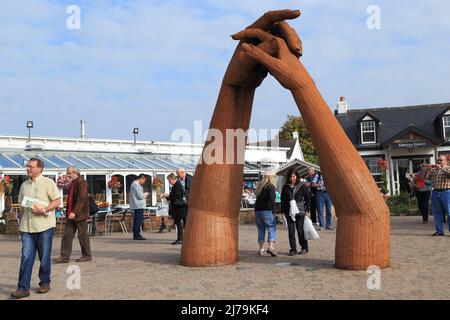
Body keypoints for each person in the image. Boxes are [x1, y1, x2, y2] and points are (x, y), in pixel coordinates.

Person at [11, 158, 61, 299]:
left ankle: (44, 282)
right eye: (28, 166)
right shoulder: (24, 185)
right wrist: (20, 223)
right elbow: (22, 206)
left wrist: (44, 209)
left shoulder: (48, 183)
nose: (28, 169)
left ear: (40, 169)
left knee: (44, 257)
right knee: (26, 256)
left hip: (44, 226)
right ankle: (22, 288)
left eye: (31, 167)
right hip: (27, 227)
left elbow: (57, 201)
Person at [53, 166, 92, 263]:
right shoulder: (74, 182)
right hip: (71, 213)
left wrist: (75, 212)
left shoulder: (81, 182)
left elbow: (82, 198)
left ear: (76, 173)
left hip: (79, 214)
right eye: (67, 172)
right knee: (67, 235)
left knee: (82, 235)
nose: (68, 174)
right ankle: (64, 257)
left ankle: (87, 255)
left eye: (69, 173)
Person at [281, 169, 310, 256]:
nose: (292, 178)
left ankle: (304, 247)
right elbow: (283, 200)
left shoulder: (302, 186)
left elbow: (307, 198)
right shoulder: (285, 187)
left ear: (297, 176)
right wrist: (282, 211)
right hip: (289, 211)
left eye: (293, 176)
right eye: (290, 177)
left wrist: (307, 209)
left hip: (300, 211)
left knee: (300, 230)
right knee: (291, 231)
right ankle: (293, 249)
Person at [421, 155, 450, 236]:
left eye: (441, 160)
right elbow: (425, 178)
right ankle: (439, 231)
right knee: (436, 212)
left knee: (449, 212)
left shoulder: (448, 168)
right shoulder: (434, 170)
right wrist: (425, 169)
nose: (439, 162)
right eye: (438, 160)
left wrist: (441, 168)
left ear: (446, 161)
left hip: (446, 192)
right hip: (435, 192)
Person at [254, 171, 278, 256]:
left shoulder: (259, 186)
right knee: (271, 228)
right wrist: (275, 210)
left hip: (258, 211)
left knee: (261, 230)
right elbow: (272, 199)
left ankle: (261, 249)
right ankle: (270, 247)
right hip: (267, 210)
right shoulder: (271, 186)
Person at [167, 173, 187, 245]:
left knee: (179, 223)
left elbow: (177, 196)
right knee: (180, 223)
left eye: (169, 180)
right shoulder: (178, 184)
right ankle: (181, 238)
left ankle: (180, 238)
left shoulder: (177, 185)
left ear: (172, 179)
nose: (169, 182)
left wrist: (168, 196)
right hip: (180, 207)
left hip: (179, 208)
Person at [130, 174, 149, 240]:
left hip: (136, 205)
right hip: (139, 205)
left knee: (136, 220)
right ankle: (137, 235)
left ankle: (136, 235)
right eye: (144, 180)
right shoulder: (137, 186)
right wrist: (145, 194)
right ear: (141, 178)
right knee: (138, 221)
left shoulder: (133, 184)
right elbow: (140, 196)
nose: (144, 182)